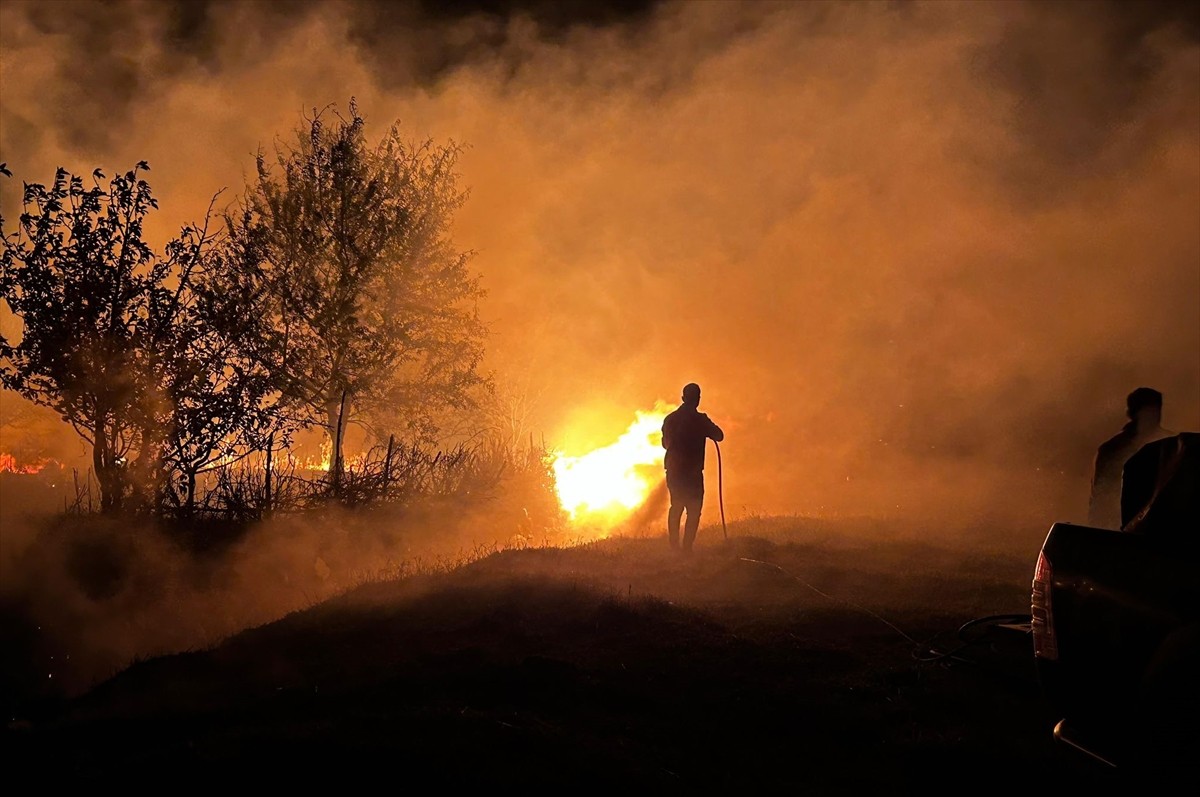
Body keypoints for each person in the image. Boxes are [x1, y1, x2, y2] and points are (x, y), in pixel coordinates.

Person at [1087, 387, 1173, 529]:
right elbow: (1100, 500)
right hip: (1122, 528)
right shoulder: (1112, 451)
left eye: (1155, 410)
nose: (1153, 416)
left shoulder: (1171, 445)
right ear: (1132, 413)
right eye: (1148, 411)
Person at [661, 382, 724, 553]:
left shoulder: (670, 419)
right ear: (698, 400)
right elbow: (719, 435)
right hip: (692, 473)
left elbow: (664, 444)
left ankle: (674, 547)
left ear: (683, 398)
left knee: (677, 506)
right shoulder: (700, 420)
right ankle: (686, 549)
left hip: (674, 471)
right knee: (694, 510)